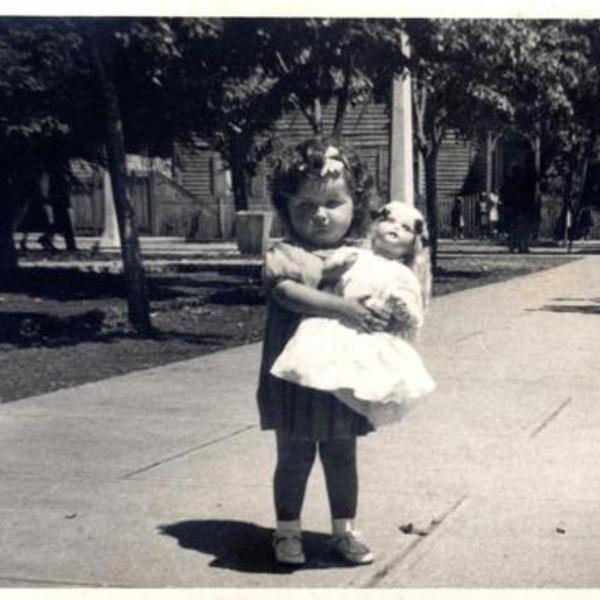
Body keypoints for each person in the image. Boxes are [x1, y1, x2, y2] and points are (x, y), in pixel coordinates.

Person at [257, 138, 389, 567]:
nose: (319, 214)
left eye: (333, 202)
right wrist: (343, 307)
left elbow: (387, 294)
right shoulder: (284, 253)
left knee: (342, 454)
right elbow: (289, 293)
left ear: (356, 205)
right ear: (285, 208)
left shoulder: (361, 256)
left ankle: (344, 530)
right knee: (294, 455)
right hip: (295, 377)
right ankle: (287, 529)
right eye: (304, 205)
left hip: (341, 378)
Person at [271, 201, 435, 428]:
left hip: (367, 331)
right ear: (375, 226)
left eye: (406, 228)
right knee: (320, 363)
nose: (395, 228)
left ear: (413, 245)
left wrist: (400, 307)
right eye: (389, 220)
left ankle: (350, 405)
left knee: (362, 372)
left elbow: (414, 316)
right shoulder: (355, 254)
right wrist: (333, 270)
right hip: (336, 322)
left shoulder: (403, 274)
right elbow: (324, 275)